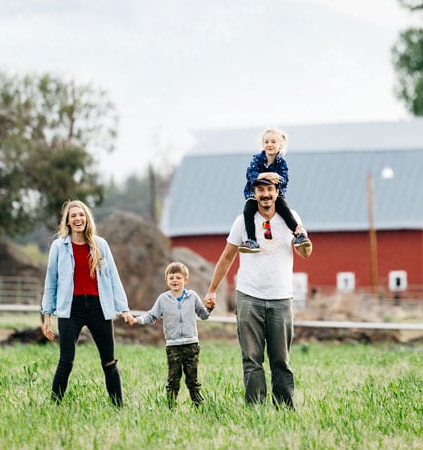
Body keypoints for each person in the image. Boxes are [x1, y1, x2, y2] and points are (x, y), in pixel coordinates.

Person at [204, 178, 313, 408]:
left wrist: (304, 238)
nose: (265, 194)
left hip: (281, 299)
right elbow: (227, 256)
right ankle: (255, 408)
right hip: (249, 298)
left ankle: (284, 408)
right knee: (252, 359)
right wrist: (212, 290)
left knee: (280, 360)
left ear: (276, 193)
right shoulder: (242, 221)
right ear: (254, 193)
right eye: (260, 190)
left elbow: (305, 254)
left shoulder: (290, 218)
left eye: (269, 190)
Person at [40, 199, 135, 406]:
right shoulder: (59, 246)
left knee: (109, 361)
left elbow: (113, 278)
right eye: (73, 216)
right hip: (70, 309)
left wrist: (124, 309)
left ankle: (118, 407)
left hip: (98, 307)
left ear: (87, 219)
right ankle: (54, 406)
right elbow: (51, 281)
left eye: (81, 215)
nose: (78, 219)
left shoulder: (100, 245)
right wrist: (47, 315)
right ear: (67, 221)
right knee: (66, 360)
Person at [132, 261, 214, 407]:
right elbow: (151, 315)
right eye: (171, 278)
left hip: (191, 344)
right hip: (173, 346)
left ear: (185, 280)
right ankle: (170, 406)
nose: (175, 280)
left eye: (178, 277)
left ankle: (199, 405)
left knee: (192, 378)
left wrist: (209, 308)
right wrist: (137, 320)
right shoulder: (163, 299)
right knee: (173, 378)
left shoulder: (192, 296)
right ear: (167, 281)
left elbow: (204, 315)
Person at [238, 127, 311, 253]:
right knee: (248, 210)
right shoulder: (257, 159)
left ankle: (298, 234)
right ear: (262, 144)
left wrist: (276, 178)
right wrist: (265, 176)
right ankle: (251, 240)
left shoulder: (281, 162)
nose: (269, 145)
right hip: (255, 193)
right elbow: (251, 175)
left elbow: (284, 179)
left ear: (280, 145)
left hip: (275, 194)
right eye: (266, 142)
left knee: (284, 209)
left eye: (273, 142)